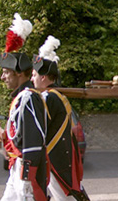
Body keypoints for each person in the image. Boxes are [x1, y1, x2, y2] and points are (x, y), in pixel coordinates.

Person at [0, 13, 49, 201]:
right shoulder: (21, 98)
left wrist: (26, 177)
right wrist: (2, 134)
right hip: (17, 166)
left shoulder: (28, 98)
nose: (2, 77)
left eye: (6, 72)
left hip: (25, 170)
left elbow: (33, 139)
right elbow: (19, 135)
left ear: (20, 74)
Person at [31, 35, 90, 201]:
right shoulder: (53, 96)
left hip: (55, 158)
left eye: (34, 75)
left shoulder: (49, 98)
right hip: (58, 156)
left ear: (43, 77)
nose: (31, 79)